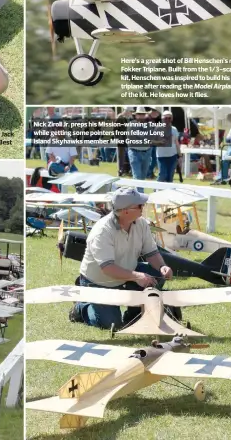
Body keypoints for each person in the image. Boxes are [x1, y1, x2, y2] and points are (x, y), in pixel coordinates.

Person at [69, 188, 173, 329]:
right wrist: (137, 276)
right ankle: (82, 308)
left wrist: (162, 267)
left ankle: (135, 313)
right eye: (140, 205)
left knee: (156, 275)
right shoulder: (102, 231)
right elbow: (108, 268)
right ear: (126, 211)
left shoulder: (141, 223)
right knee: (112, 324)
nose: (143, 207)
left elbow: (151, 252)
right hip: (100, 282)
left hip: (127, 273)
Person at [127, 107, 153, 180]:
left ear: (145, 115)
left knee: (143, 177)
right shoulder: (131, 124)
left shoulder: (149, 125)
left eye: (142, 114)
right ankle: (139, 191)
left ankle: (138, 191)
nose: (141, 116)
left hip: (146, 153)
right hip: (134, 153)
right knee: (137, 176)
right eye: (139, 114)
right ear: (136, 115)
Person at [156, 111, 182, 183]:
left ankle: (168, 192)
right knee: (162, 174)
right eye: (165, 118)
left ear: (172, 119)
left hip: (172, 156)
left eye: (169, 118)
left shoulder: (174, 129)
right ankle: (156, 190)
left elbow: (177, 143)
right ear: (162, 119)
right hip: (161, 156)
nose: (167, 119)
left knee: (170, 176)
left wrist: (180, 156)